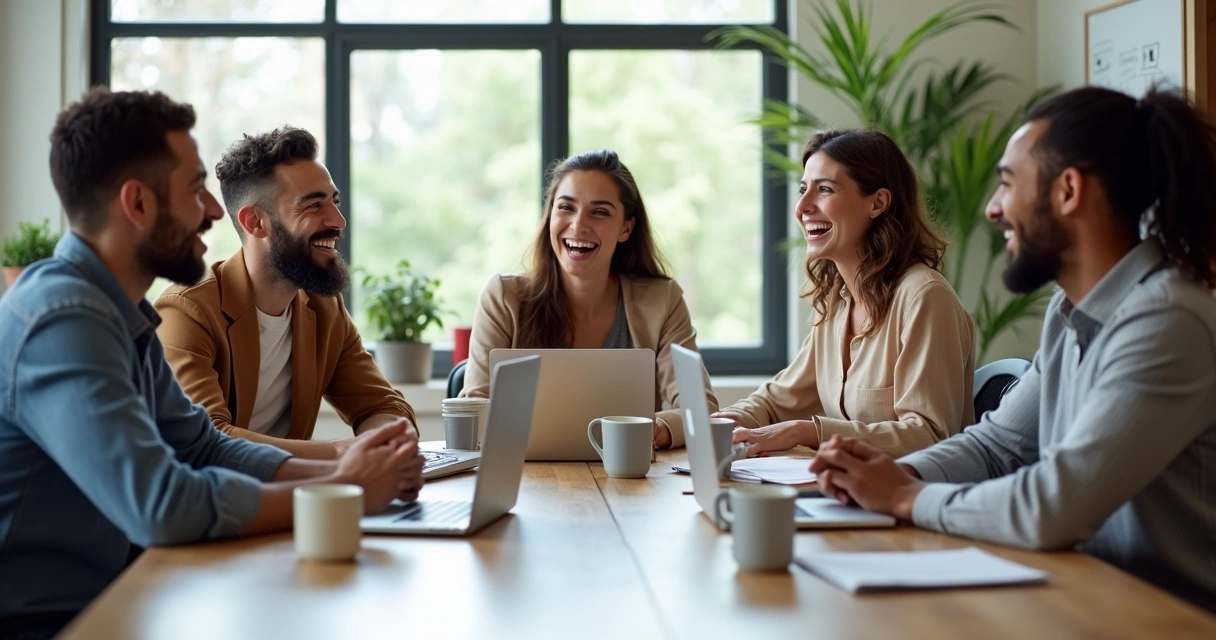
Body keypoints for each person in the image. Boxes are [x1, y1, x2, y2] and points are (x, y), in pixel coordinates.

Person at [0, 89, 423, 638]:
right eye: (196, 188)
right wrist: (345, 490)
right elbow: (163, 505)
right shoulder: (63, 318)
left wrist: (347, 475)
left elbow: (202, 445)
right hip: (43, 621)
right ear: (138, 204)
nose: (214, 211)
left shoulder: (115, 311)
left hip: (113, 597)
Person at [808, 86, 1216, 614]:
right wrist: (898, 474)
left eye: (1007, 183)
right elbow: (998, 446)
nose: (992, 207)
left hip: (1165, 615)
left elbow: (1055, 503)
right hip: (1084, 593)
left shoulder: (1166, 319)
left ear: (1068, 191)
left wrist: (904, 497)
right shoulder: (1071, 310)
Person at [155, 127, 417, 459]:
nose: (338, 220)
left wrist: (382, 443)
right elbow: (205, 441)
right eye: (313, 205)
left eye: (334, 201)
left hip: (291, 500)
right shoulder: (185, 312)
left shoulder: (325, 308)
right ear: (255, 222)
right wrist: (341, 454)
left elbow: (383, 404)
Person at [718, 129, 975, 458]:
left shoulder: (924, 297)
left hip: (910, 503)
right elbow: (776, 401)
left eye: (824, 189)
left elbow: (930, 434)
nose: (802, 207)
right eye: (803, 190)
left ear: (878, 202)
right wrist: (710, 425)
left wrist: (808, 431)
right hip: (848, 496)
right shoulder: (836, 303)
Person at [461, 149, 716, 449]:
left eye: (600, 212)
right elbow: (472, 412)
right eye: (566, 207)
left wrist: (656, 429)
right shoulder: (504, 298)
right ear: (550, 215)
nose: (578, 225)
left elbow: (701, 409)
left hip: (631, 482)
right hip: (526, 482)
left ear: (626, 228)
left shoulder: (662, 301)